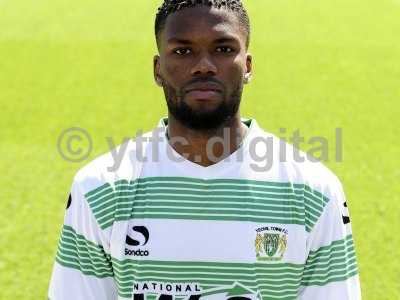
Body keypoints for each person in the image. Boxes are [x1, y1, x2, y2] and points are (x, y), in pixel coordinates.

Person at [48, 0, 361, 299]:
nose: (204, 66)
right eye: (183, 51)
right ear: (158, 69)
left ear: (248, 65)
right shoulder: (100, 188)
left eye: (223, 49)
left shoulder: (313, 191)